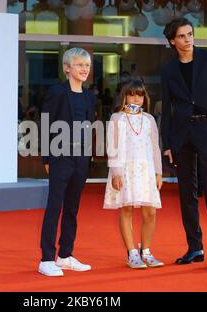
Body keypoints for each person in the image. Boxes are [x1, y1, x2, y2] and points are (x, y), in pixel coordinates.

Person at [161, 18, 207, 269]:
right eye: (182, 36)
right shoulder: (168, 71)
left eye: (190, 34)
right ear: (172, 41)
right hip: (182, 137)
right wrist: (167, 143)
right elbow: (167, 109)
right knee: (186, 195)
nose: (188, 39)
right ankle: (195, 247)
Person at [38, 48, 96, 277]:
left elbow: (90, 126)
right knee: (55, 207)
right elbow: (45, 123)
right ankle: (46, 259)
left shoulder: (89, 95)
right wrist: (47, 157)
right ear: (67, 68)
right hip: (60, 155)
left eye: (87, 65)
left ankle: (65, 256)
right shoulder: (57, 92)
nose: (84, 69)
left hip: (81, 158)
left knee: (73, 208)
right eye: (79, 64)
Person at [103, 80, 164, 269]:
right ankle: (132, 253)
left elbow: (155, 147)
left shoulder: (149, 120)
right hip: (125, 169)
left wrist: (158, 172)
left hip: (146, 170)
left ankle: (146, 251)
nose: (136, 98)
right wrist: (116, 172)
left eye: (140, 95)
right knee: (127, 209)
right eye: (132, 94)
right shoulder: (117, 118)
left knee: (150, 212)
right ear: (125, 96)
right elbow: (112, 148)